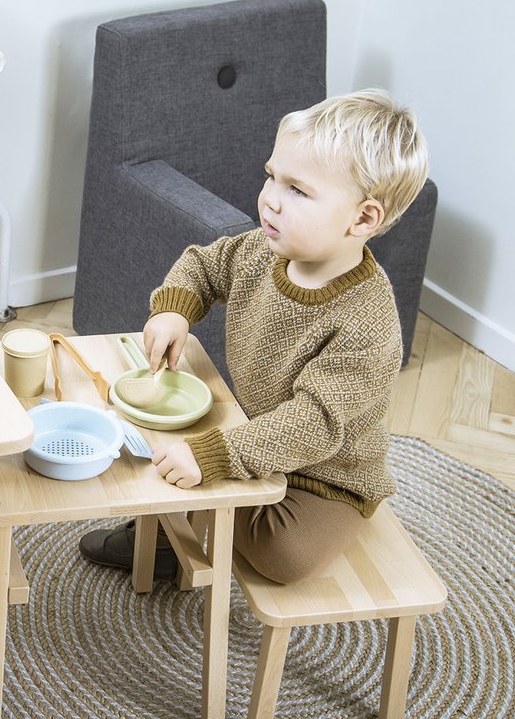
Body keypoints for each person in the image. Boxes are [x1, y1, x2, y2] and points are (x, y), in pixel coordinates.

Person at [80, 89, 429, 585]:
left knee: (283, 557)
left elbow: (313, 425)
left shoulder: (367, 323)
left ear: (364, 218)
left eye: (298, 191)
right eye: (272, 176)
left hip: (323, 476)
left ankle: (182, 517)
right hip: (253, 424)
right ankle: (166, 533)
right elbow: (203, 265)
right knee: (167, 431)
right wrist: (176, 311)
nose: (270, 199)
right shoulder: (263, 251)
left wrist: (217, 459)